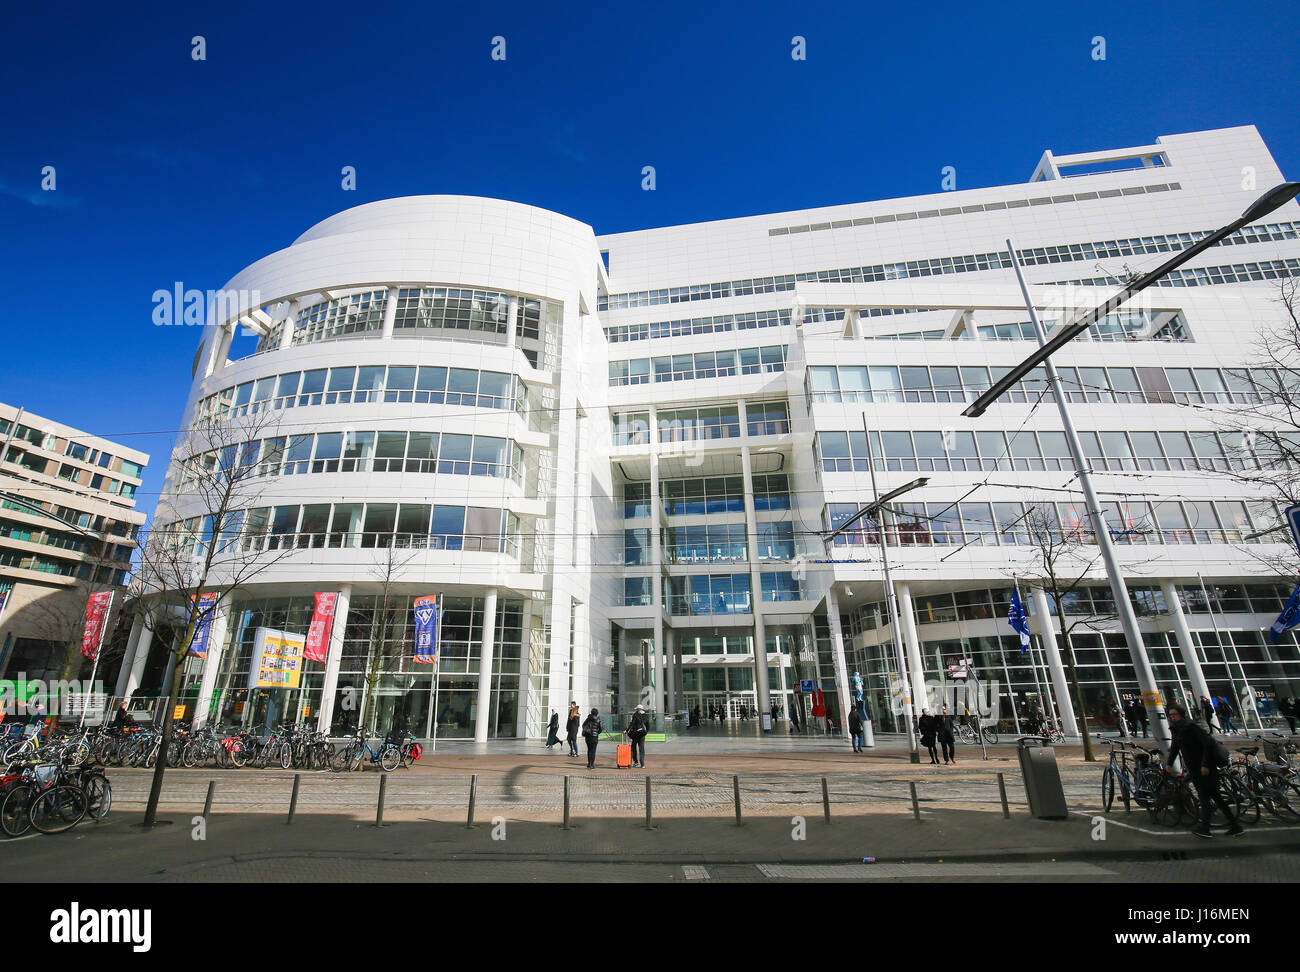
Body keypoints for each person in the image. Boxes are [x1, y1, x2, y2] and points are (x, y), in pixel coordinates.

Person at [1166, 702, 1243, 839]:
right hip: (1195, 768)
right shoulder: (1176, 729)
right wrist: (1169, 763)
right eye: (1170, 715)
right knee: (1215, 797)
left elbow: (1208, 745)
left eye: (1174, 715)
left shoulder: (1191, 727)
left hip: (1203, 768)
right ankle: (1234, 826)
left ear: (1181, 714)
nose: (1172, 717)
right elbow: (1175, 747)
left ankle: (1206, 828)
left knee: (1206, 797)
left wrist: (1205, 765)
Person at [626, 703, 650, 768]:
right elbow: (648, 725)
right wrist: (646, 732)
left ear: (638, 709)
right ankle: (642, 764)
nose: (636, 710)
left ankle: (636, 762)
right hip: (642, 734)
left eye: (636, 709)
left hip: (636, 734)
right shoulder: (646, 715)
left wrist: (627, 730)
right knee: (641, 749)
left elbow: (632, 724)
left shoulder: (635, 715)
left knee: (633, 747)